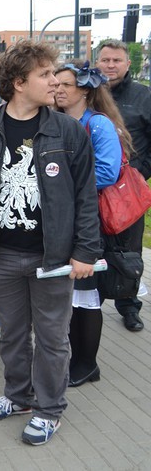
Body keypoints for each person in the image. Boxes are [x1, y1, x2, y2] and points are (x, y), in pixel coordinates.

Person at [0, 41, 101, 446]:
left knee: (53, 338)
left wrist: (85, 251)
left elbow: (85, 196)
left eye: (53, 74)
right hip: (1, 255)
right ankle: (19, 396)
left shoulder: (68, 130)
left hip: (52, 258)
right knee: (15, 335)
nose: (55, 81)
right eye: (45, 74)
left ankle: (50, 409)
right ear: (18, 83)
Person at [54, 61, 131, 387]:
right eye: (55, 84)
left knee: (86, 295)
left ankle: (87, 364)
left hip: (91, 223)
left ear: (84, 89)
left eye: (66, 85)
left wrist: (57, 185)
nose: (58, 89)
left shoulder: (97, 124)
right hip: (65, 222)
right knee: (70, 294)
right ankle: (77, 359)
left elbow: (107, 172)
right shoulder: (57, 121)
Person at [96, 39, 151, 332]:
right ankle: (90, 303)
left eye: (117, 60)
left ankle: (129, 307)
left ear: (128, 64)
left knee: (128, 252)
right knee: (93, 248)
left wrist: (141, 174)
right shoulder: (88, 93)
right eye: (105, 60)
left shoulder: (143, 96)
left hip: (128, 191)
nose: (110, 66)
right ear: (98, 62)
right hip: (92, 189)